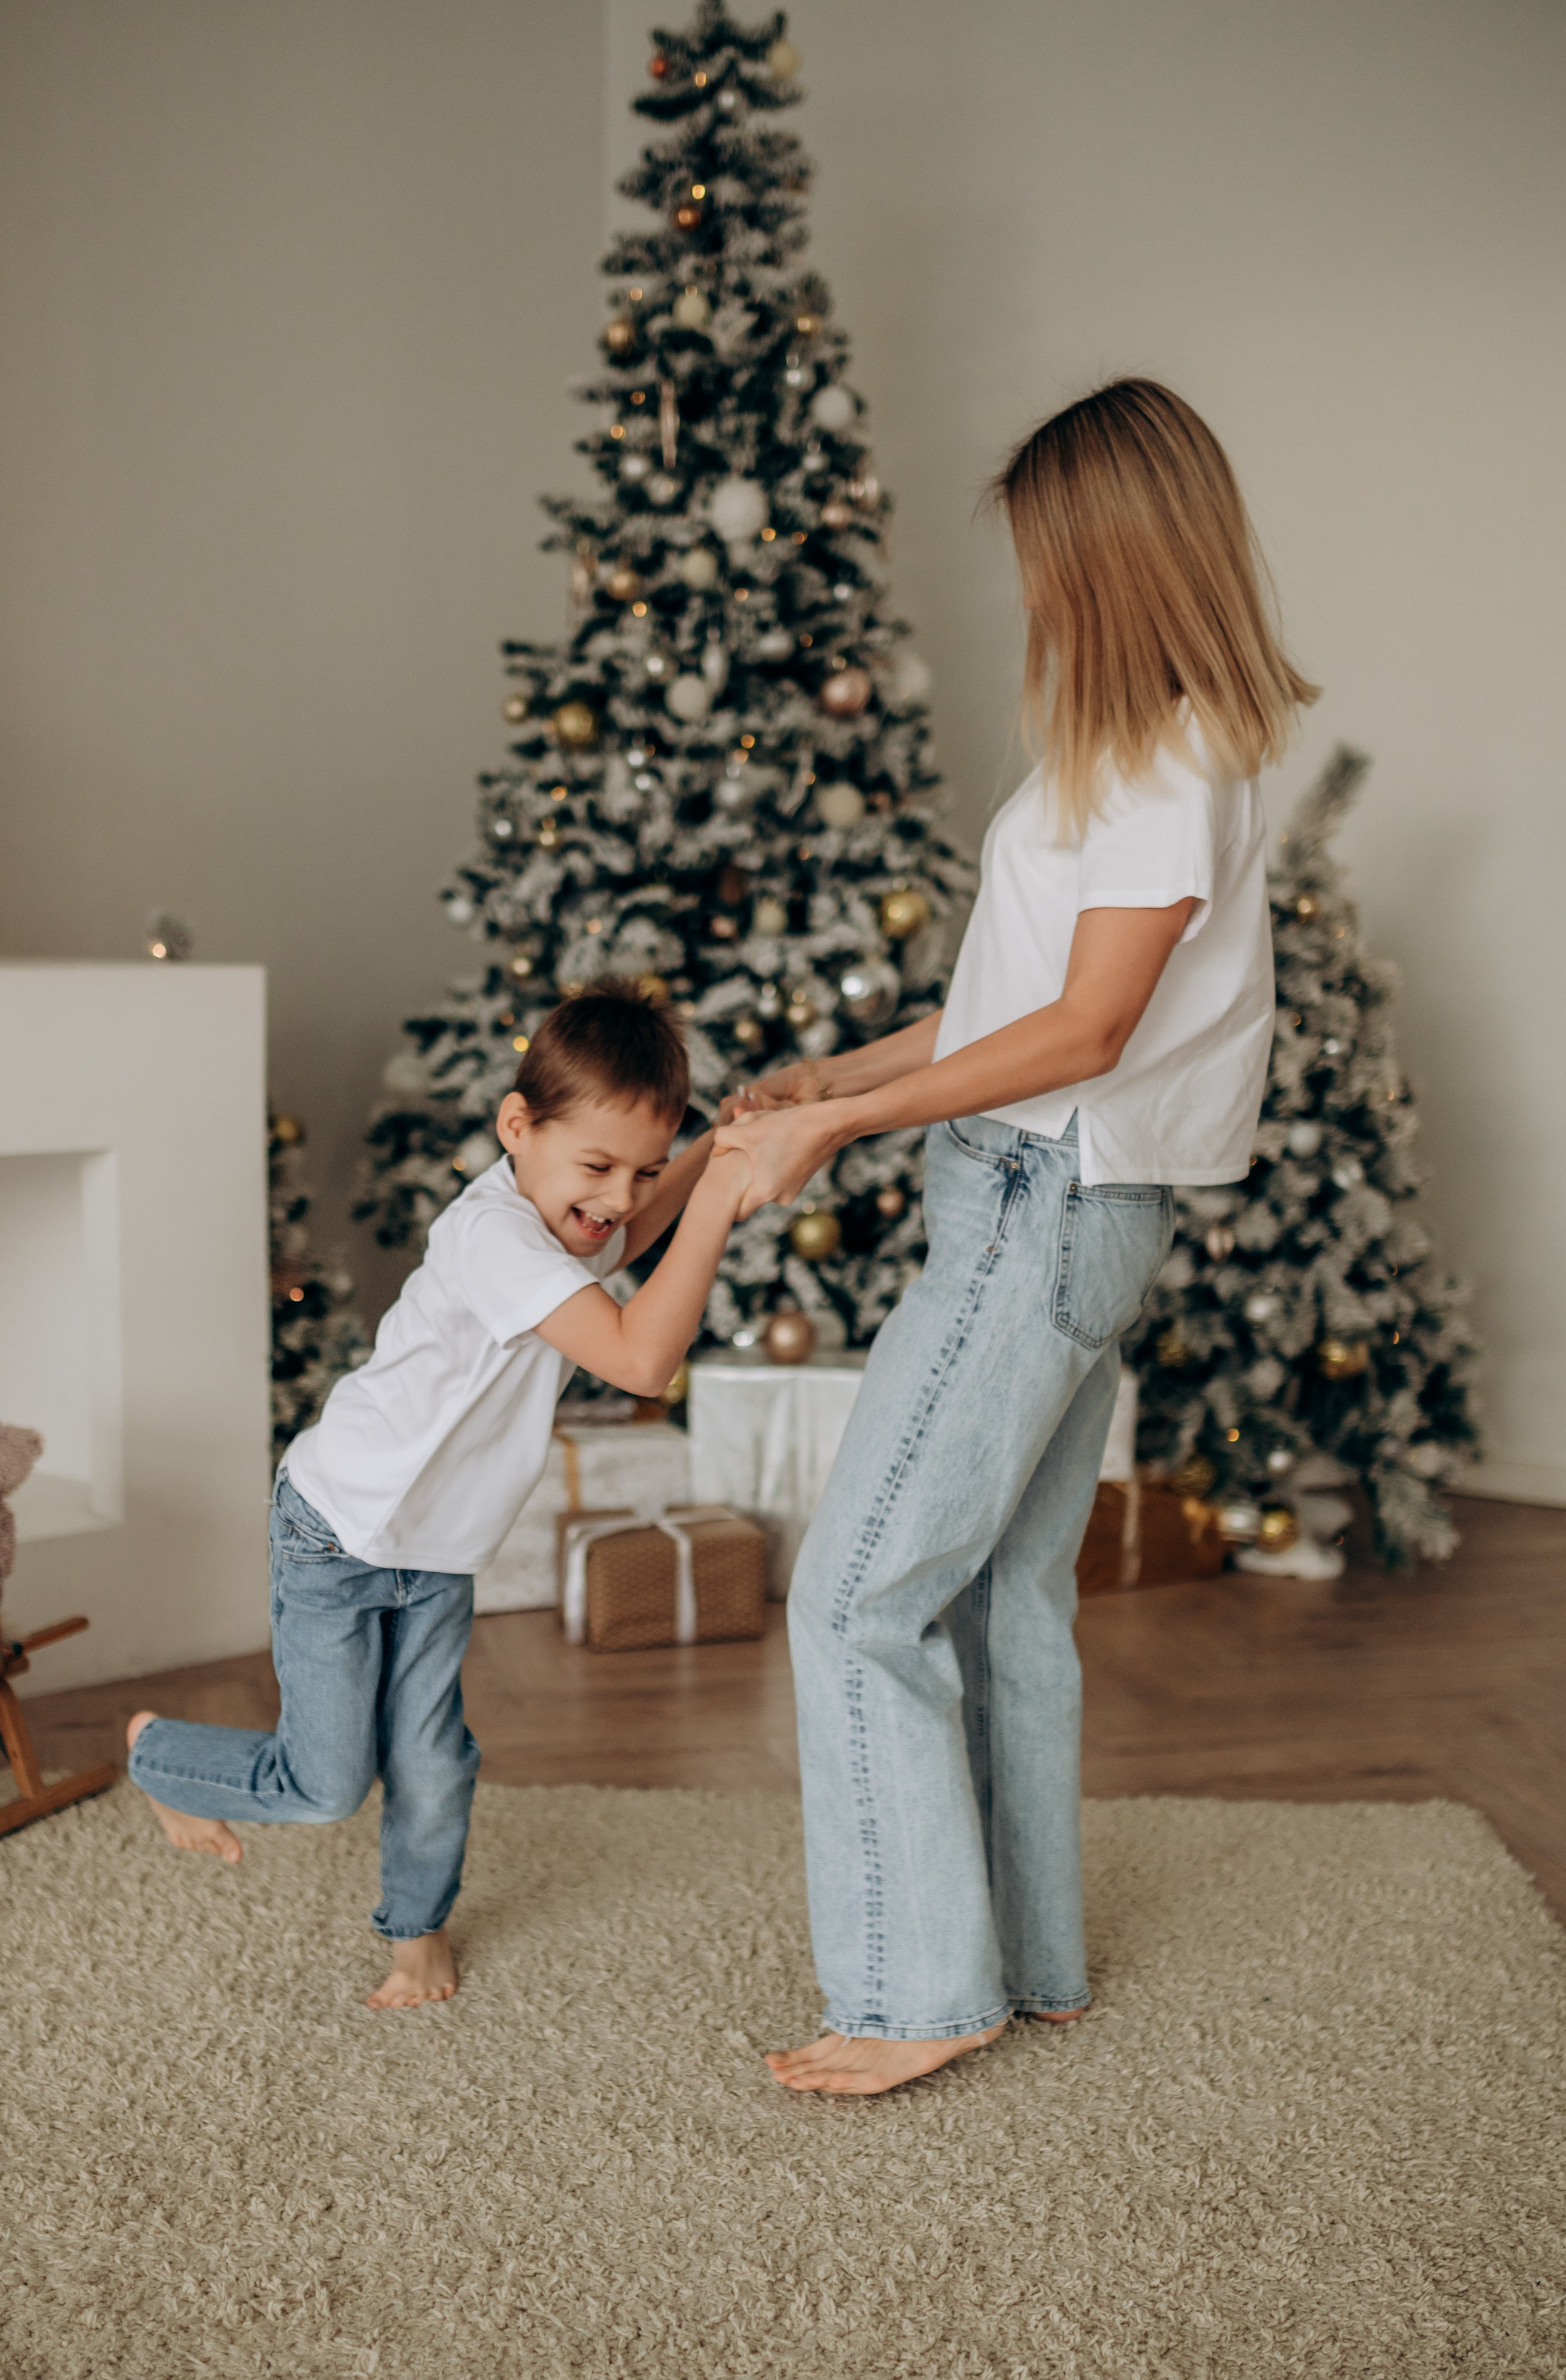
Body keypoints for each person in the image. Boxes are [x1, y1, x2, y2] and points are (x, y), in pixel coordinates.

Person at [717, 378, 1316, 2094]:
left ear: (1117, 555)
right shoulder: (1144, 753)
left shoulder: (1170, 761)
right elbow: (1018, 1000)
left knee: (852, 1597)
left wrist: (834, 1129)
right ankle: (1032, 1962)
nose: (1037, 593)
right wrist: (843, 1068)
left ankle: (916, 1995)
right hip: (1051, 1192)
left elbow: (1084, 1037)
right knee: (1000, 1597)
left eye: (1053, 557)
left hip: (1038, 1198)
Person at [128, 984, 749, 2009]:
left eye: (645, 1170)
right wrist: (721, 1196)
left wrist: (711, 1153)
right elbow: (642, 1361)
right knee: (327, 1785)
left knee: (433, 1760)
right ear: (518, 1126)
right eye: (597, 1167)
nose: (622, 1198)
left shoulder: (575, 1217)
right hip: (340, 1530)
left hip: (438, 1553)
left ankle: (416, 1934)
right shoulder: (493, 1237)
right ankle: (157, 1752)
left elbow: (621, 1240)